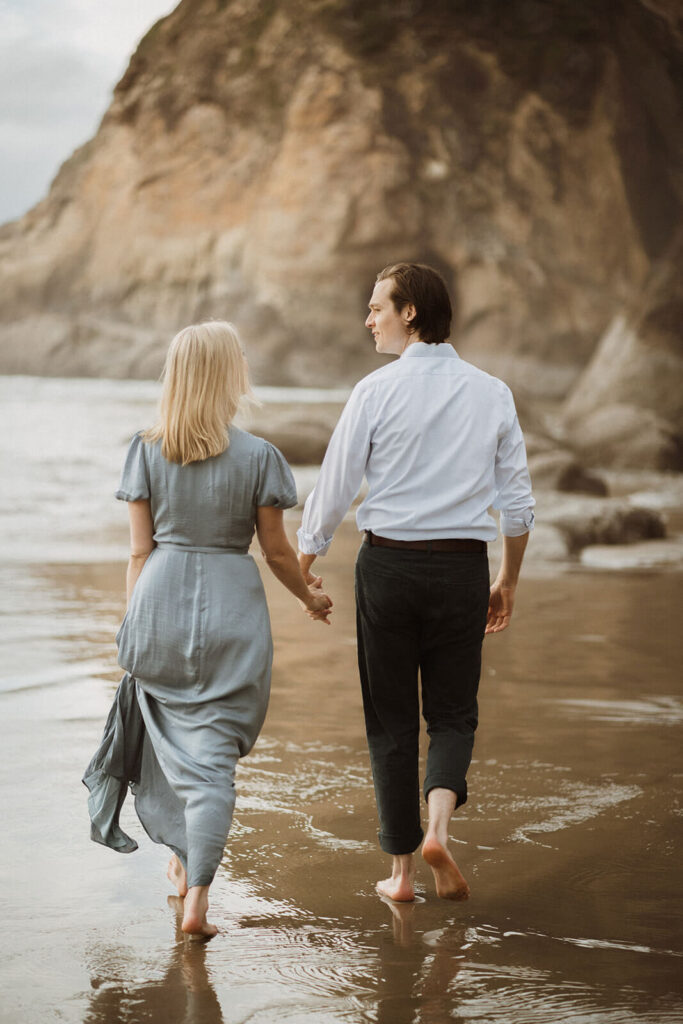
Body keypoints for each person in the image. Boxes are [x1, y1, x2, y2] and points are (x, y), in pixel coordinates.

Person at [83, 321, 332, 938]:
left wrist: (132, 622)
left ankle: (183, 866)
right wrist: (311, 597)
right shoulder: (259, 455)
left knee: (168, 738)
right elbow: (276, 552)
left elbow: (140, 552)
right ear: (229, 373)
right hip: (232, 610)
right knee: (213, 759)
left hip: (159, 602)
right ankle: (197, 900)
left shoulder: (144, 449)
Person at [297, 263, 534, 902]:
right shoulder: (493, 392)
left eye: (377, 306)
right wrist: (506, 579)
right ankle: (437, 831)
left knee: (391, 719)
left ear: (410, 313)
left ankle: (401, 875)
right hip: (462, 568)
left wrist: (305, 556)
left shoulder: (374, 391)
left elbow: (338, 483)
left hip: (389, 568)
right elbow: (517, 504)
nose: (367, 318)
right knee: (453, 713)